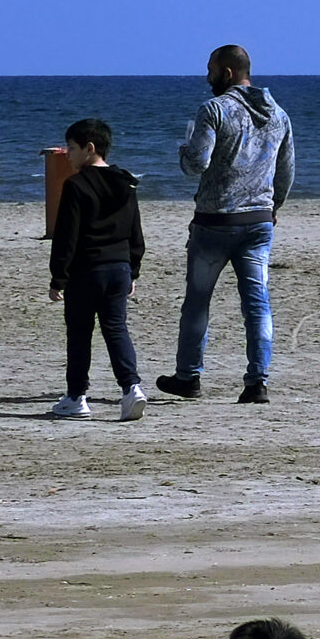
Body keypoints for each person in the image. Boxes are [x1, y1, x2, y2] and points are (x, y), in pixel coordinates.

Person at [157, 44, 295, 404]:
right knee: (257, 303)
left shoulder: (214, 110)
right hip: (258, 220)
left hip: (215, 221)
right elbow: (286, 170)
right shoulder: (279, 114)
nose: (207, 77)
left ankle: (189, 376)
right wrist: (274, 204)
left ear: (227, 73)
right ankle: (257, 381)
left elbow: (197, 164)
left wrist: (183, 152)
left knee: (198, 302)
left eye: (211, 70)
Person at [47, 118, 147, 422]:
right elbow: (135, 232)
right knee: (116, 329)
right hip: (118, 268)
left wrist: (58, 277)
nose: (67, 154)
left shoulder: (76, 185)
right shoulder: (126, 182)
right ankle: (131, 388)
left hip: (86, 270)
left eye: (73, 148)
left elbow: (67, 236)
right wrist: (133, 269)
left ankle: (77, 396)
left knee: (79, 333)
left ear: (90, 149)